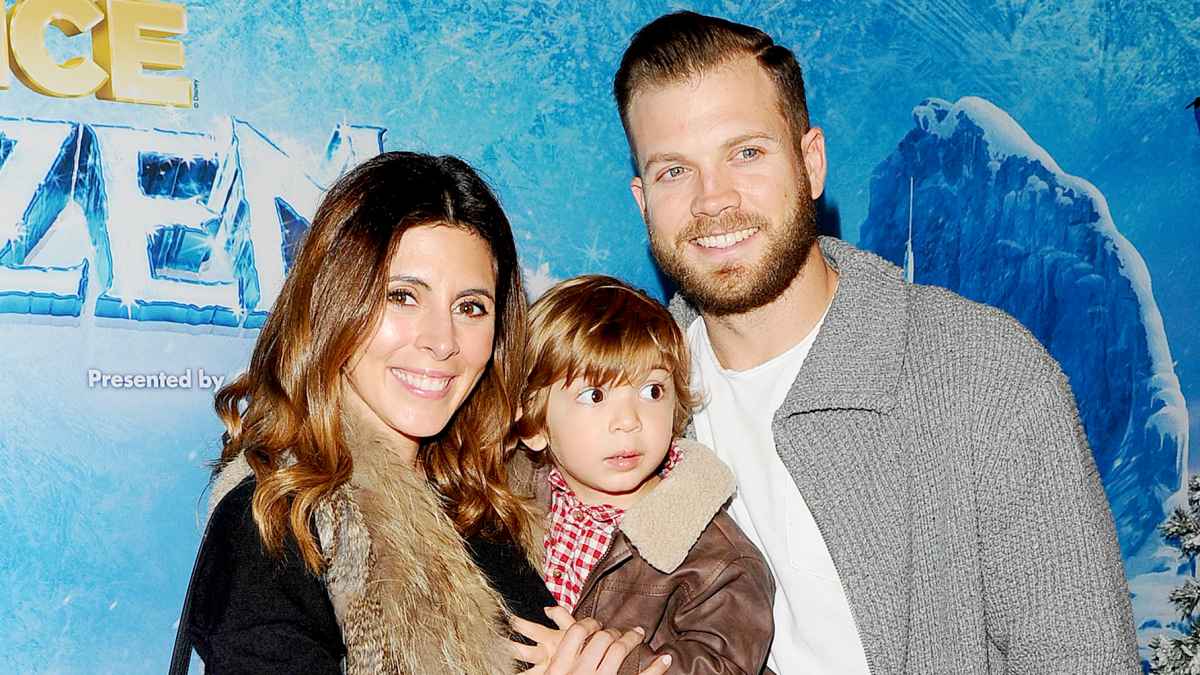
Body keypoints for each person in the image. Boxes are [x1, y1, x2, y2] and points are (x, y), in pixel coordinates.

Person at [611, 11, 1140, 674]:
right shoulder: (628, 406)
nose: (713, 200)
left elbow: (1081, 657)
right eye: (673, 172)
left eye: (746, 152)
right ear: (642, 199)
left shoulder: (985, 374)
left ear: (811, 162)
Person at [174, 152, 664, 675]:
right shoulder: (273, 523)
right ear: (334, 304)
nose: (442, 341)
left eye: (470, 307)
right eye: (402, 296)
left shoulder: (479, 508)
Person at [507, 275, 774, 674]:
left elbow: (726, 665)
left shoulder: (716, 558)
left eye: (652, 391)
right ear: (533, 425)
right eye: (594, 395)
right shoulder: (499, 501)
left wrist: (614, 665)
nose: (629, 421)